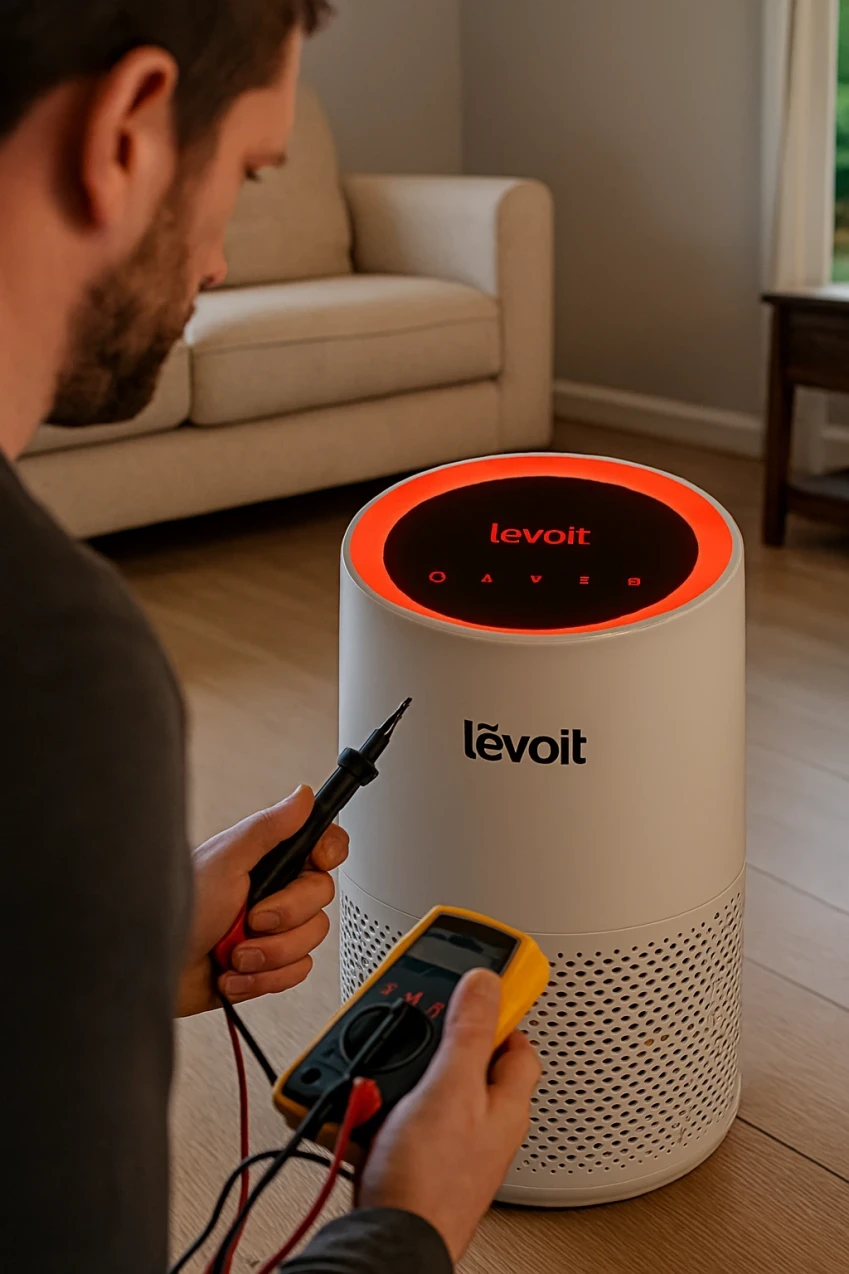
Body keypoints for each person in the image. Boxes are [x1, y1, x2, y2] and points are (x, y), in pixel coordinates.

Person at [0, 3, 541, 1271]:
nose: (220, 261)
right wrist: (404, 1221)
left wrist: (113, 948)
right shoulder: (52, 675)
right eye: (245, 172)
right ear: (127, 129)